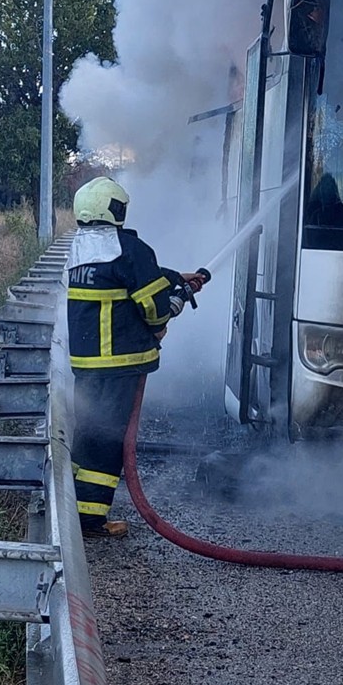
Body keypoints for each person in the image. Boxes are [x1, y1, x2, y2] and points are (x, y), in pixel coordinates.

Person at [65, 176, 205, 538]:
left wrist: (176, 276)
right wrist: (172, 303)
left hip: (87, 364)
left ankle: (74, 511)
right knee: (109, 441)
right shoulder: (131, 248)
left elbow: (124, 276)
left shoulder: (81, 248)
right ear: (117, 209)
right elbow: (155, 310)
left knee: (88, 434)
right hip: (120, 364)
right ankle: (91, 521)